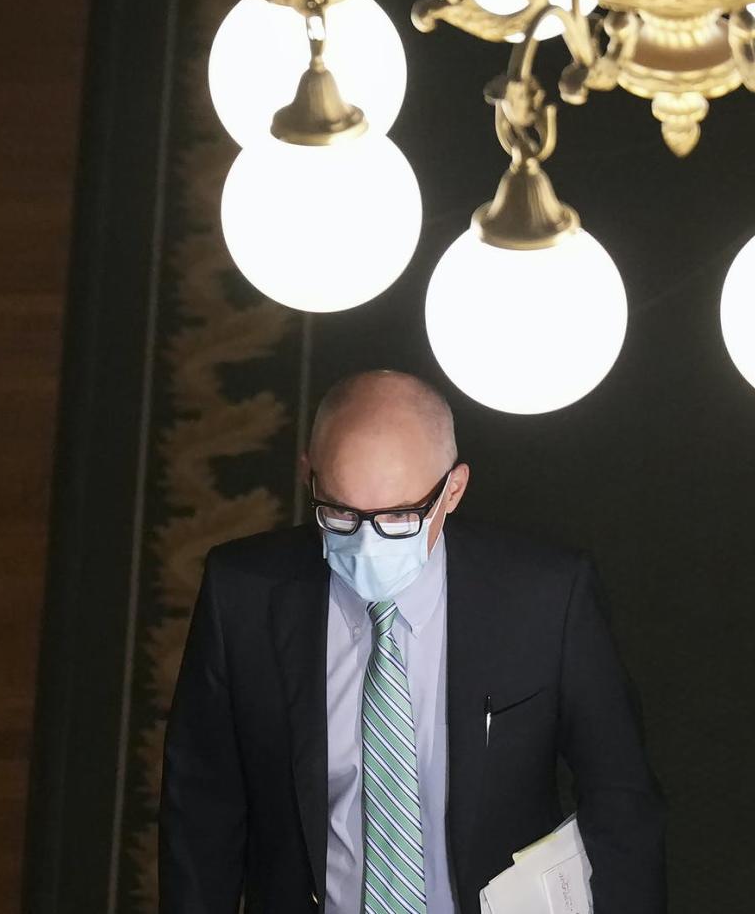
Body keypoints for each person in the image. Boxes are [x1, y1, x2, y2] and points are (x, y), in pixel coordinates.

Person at [159, 370, 666, 914]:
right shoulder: (244, 593)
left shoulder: (546, 597)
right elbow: (202, 811)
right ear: (309, 473)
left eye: (400, 516)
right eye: (340, 514)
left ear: (453, 490)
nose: (367, 541)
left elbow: (621, 799)